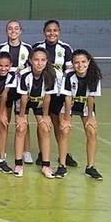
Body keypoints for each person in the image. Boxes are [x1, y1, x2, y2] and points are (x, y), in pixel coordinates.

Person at [32, 20, 77, 168]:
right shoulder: (37, 48)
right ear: (44, 32)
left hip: (59, 92)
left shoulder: (66, 49)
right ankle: (41, 153)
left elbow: (70, 72)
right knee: (42, 123)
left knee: (58, 123)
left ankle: (63, 154)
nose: (52, 33)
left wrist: (69, 92)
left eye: (55, 30)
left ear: (59, 31)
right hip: (42, 91)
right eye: (49, 30)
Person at [13, 47, 58, 179]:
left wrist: (45, 116)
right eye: (36, 60)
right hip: (24, 103)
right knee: (21, 128)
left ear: (47, 61)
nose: (39, 63)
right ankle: (18, 164)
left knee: (45, 128)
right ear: (30, 61)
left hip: (40, 103)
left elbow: (48, 97)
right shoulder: (24, 74)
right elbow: (23, 97)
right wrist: (21, 117)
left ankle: (46, 165)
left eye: (43, 60)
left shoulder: (50, 75)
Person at [59, 49, 103, 180]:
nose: (80, 65)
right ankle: (62, 165)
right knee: (64, 130)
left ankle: (90, 167)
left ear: (88, 62)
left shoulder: (94, 76)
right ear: (72, 63)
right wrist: (67, 118)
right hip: (70, 105)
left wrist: (90, 117)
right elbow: (67, 98)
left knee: (92, 132)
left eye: (83, 62)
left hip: (85, 106)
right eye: (76, 62)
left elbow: (91, 98)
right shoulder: (68, 75)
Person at [0, 20, 33, 163]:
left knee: (23, 120)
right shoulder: (0, 48)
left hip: (21, 91)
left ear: (20, 31)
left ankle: (26, 151)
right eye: (10, 28)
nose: (13, 31)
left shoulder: (28, 49)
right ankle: (1, 154)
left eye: (16, 28)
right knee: (3, 121)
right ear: (6, 31)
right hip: (4, 91)